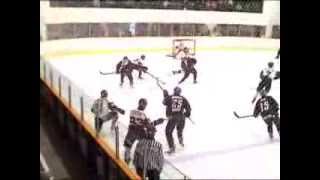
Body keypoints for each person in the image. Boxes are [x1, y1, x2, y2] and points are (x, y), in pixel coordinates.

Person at [123, 98, 165, 164]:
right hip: (139, 132)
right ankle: (147, 160)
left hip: (130, 132)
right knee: (148, 143)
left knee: (128, 147)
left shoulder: (132, 111)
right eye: (145, 105)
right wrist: (158, 121)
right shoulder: (143, 114)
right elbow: (149, 125)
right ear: (145, 105)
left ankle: (126, 161)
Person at [162, 87, 191, 154]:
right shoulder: (183, 98)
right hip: (182, 117)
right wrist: (186, 115)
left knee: (168, 132)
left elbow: (164, 102)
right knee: (179, 131)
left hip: (173, 117)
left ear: (174, 91)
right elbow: (188, 109)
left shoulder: (170, 97)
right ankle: (181, 143)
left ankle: (172, 148)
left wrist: (165, 95)